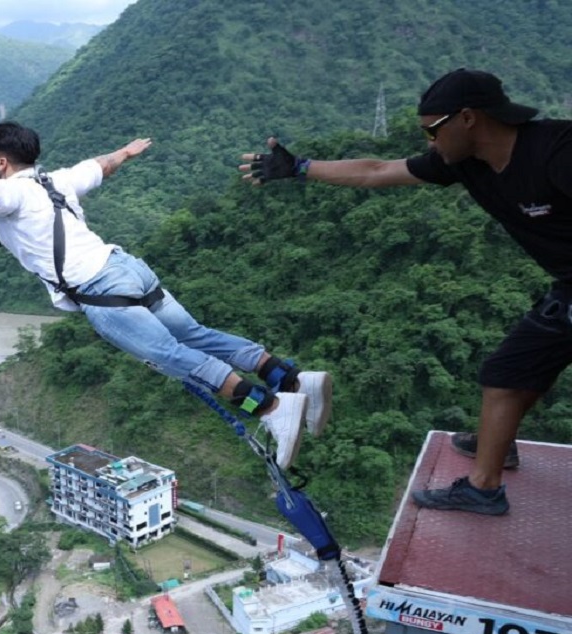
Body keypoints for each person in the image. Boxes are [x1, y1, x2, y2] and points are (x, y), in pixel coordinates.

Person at [240, 68, 572, 516]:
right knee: (508, 373)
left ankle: (486, 478)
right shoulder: (463, 162)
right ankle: (495, 456)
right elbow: (377, 171)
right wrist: (300, 168)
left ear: (469, 118)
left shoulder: (557, 152)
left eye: (433, 130)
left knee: (510, 373)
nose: (429, 142)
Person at [0, 121, 333, 470]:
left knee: (171, 356)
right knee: (197, 336)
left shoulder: (11, 192)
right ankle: (295, 379)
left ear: (2, 161)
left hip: (101, 292)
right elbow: (99, 166)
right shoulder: (56, 179)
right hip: (128, 268)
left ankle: (271, 410)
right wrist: (125, 153)